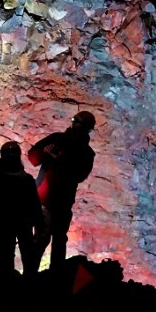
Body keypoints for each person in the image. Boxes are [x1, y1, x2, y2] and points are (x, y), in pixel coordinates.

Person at [26, 110, 97, 273]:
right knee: (42, 240)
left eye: (77, 122)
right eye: (74, 120)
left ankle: (50, 281)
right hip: (46, 201)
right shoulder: (57, 139)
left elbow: (79, 175)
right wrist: (45, 153)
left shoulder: (86, 153)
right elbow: (33, 157)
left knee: (57, 241)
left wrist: (59, 159)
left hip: (62, 203)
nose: (74, 124)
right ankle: (31, 279)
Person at [0, 141, 44, 278]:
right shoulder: (26, 179)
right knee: (26, 253)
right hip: (20, 223)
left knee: (9, 254)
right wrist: (39, 222)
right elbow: (35, 204)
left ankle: (10, 283)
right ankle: (25, 283)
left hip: (6, 222)